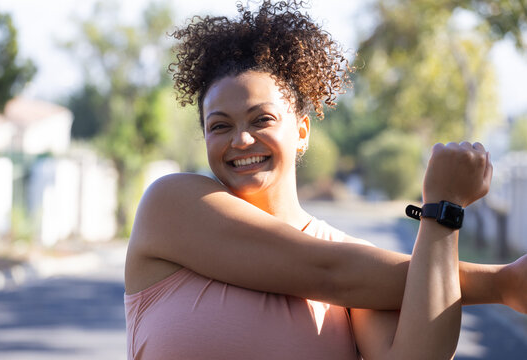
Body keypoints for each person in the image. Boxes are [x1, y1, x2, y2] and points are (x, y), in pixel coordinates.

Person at [124, 1, 527, 359]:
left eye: (262, 119)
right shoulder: (171, 206)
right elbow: (329, 273)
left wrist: (445, 208)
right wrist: (501, 283)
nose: (241, 139)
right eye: (219, 126)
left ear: (301, 131)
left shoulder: (361, 267)